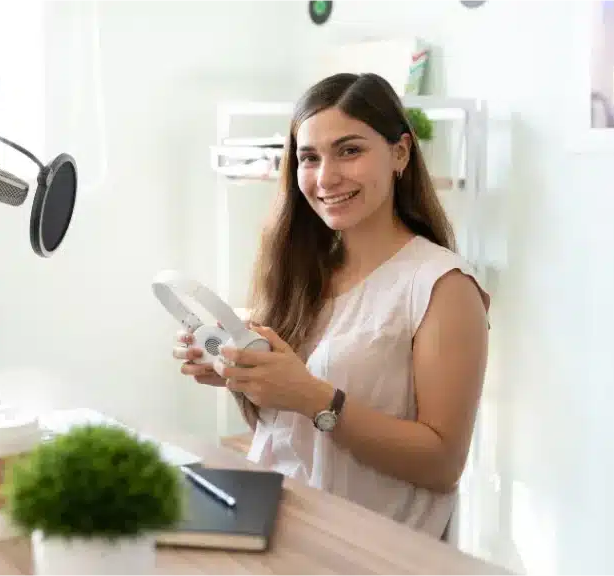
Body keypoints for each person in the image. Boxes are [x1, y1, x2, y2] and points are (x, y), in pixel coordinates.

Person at [172, 72, 490, 540]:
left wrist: (311, 396)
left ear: (400, 153)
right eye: (309, 157)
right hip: (278, 525)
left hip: (372, 551)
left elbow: (442, 464)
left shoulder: (442, 286)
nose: (326, 178)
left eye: (350, 150)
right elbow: (288, 432)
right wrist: (241, 373)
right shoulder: (302, 272)